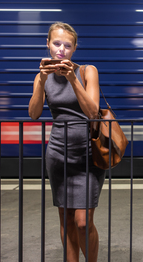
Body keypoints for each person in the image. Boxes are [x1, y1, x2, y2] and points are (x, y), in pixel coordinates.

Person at [28, 22, 105, 262]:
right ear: (48, 44)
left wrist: (73, 79)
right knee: (66, 219)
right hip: (58, 154)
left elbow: (92, 113)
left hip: (86, 155)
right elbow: (33, 113)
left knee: (83, 222)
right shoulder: (42, 77)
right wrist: (41, 79)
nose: (61, 50)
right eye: (57, 43)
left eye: (67, 45)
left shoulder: (87, 71)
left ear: (74, 48)